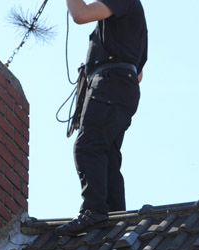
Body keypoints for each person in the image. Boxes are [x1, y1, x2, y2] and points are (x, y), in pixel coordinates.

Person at [56, 0, 148, 237]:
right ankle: (115, 217)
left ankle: (94, 210)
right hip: (122, 85)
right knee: (107, 156)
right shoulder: (132, 22)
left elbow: (80, 14)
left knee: (88, 146)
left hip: (110, 82)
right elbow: (138, 73)